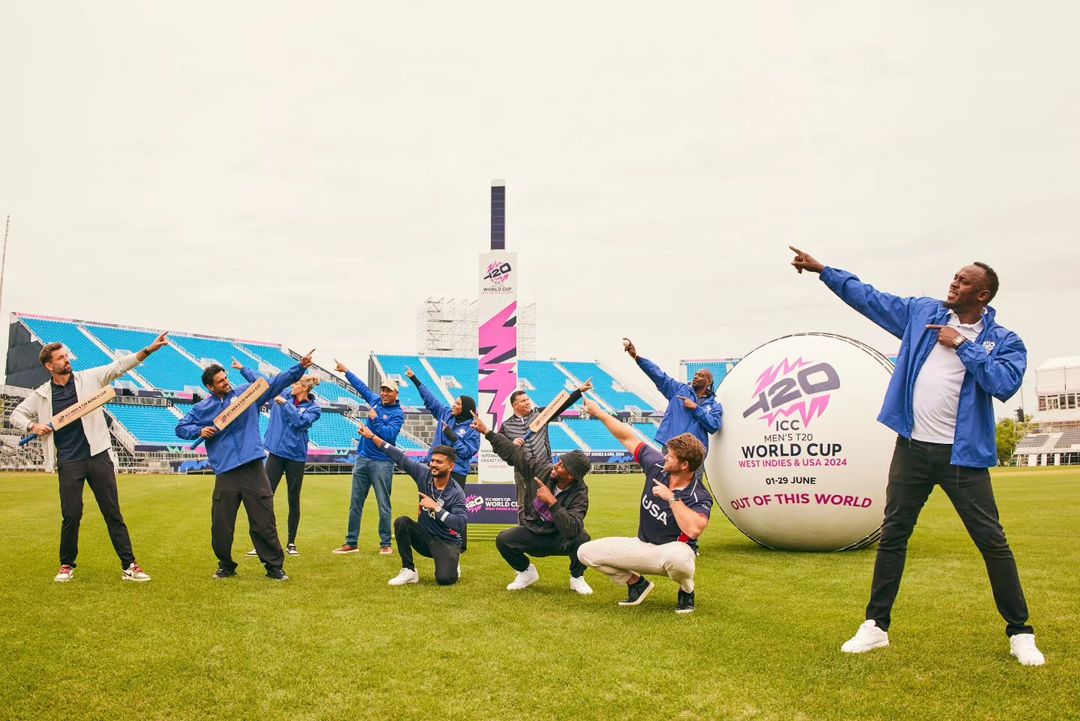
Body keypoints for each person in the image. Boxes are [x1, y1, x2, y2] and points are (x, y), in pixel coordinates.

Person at [789, 246, 1044, 666]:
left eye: (963, 281)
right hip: (913, 449)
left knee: (992, 543)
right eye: (955, 277)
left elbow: (1003, 384)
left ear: (983, 296)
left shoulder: (1006, 341)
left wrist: (963, 345)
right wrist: (824, 271)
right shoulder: (922, 314)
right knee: (893, 538)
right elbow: (870, 298)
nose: (954, 283)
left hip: (963, 458)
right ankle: (875, 627)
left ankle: (1020, 631)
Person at [12, 335, 168, 583]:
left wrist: (148, 350)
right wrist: (33, 426)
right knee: (71, 514)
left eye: (66, 355)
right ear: (49, 366)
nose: (67, 360)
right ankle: (66, 565)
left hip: (98, 455)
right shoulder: (42, 394)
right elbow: (16, 415)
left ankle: (130, 565)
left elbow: (118, 367)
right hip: (69, 461)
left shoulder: (89, 378)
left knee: (112, 512)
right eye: (61, 357)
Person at [175, 351, 313, 581]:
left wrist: (299, 368)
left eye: (226, 377)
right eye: (220, 381)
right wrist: (198, 431)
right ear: (210, 387)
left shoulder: (246, 395)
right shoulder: (203, 408)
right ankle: (226, 565)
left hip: (253, 467)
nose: (226, 382)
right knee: (221, 524)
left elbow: (274, 383)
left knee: (264, 520)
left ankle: (274, 567)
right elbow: (181, 428)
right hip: (225, 471)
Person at [576, 399, 712, 614]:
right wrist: (598, 412)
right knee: (585, 552)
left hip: (672, 551)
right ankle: (637, 585)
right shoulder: (658, 467)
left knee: (679, 558)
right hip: (643, 545)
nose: (665, 457)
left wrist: (672, 498)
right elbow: (627, 437)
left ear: (685, 465)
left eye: (671, 456)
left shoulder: (698, 495)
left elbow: (694, 529)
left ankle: (687, 590)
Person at [472, 412, 593, 595]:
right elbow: (515, 453)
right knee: (504, 539)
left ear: (571, 476)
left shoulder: (580, 494)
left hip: (558, 536)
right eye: (558, 461)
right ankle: (526, 572)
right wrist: (488, 433)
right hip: (534, 530)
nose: (555, 466)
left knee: (582, 539)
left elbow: (572, 528)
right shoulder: (542, 470)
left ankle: (577, 578)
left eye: (561, 466)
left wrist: (552, 502)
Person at [357, 425, 467, 587]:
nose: (434, 465)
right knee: (402, 522)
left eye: (439, 462)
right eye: (433, 460)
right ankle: (409, 570)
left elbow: (460, 524)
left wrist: (436, 508)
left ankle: (452, 562)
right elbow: (399, 457)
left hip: (447, 542)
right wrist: (373, 437)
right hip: (425, 537)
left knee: (445, 580)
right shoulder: (423, 473)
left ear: (450, 467)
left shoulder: (456, 493)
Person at [234, 359, 322, 556]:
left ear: (303, 389)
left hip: (296, 457)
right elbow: (262, 382)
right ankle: (263, 543)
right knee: (265, 496)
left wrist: (285, 406)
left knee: (293, 498)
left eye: (296, 384)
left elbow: (300, 423)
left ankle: (291, 543)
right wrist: (243, 369)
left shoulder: (314, 408)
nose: (292, 386)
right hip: (275, 454)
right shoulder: (281, 394)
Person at [332, 360, 404, 555]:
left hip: (383, 462)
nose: (384, 394)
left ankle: (385, 544)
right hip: (363, 459)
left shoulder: (398, 413)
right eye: (382, 390)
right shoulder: (374, 401)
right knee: (355, 503)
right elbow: (361, 387)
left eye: (388, 391)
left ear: (395, 394)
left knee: (383, 504)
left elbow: (388, 436)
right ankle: (351, 542)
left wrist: (375, 418)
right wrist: (346, 371)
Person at [499, 380, 593, 511]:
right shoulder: (506, 425)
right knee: (523, 505)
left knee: (548, 503)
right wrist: (511, 444)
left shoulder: (541, 414)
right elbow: (499, 447)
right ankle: (524, 530)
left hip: (545, 467)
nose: (528, 402)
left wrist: (579, 391)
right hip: (522, 471)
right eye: (523, 401)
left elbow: (561, 405)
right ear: (515, 405)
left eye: (528, 399)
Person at [623, 339, 722, 457]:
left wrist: (696, 408)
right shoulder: (679, 390)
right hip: (672, 446)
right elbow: (659, 376)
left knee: (694, 477)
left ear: (709, 381)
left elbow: (714, 426)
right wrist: (637, 357)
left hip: (695, 452)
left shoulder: (714, 405)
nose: (695, 377)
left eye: (700, 375)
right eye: (695, 374)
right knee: (668, 476)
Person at [403, 368, 479, 487]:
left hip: (456, 472)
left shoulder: (473, 428)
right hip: (433, 467)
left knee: (451, 505)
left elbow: (467, 453)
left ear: (465, 408)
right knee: (427, 502)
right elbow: (430, 399)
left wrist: (453, 438)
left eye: (458, 404)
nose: (453, 405)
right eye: (455, 402)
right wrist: (414, 379)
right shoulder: (445, 413)